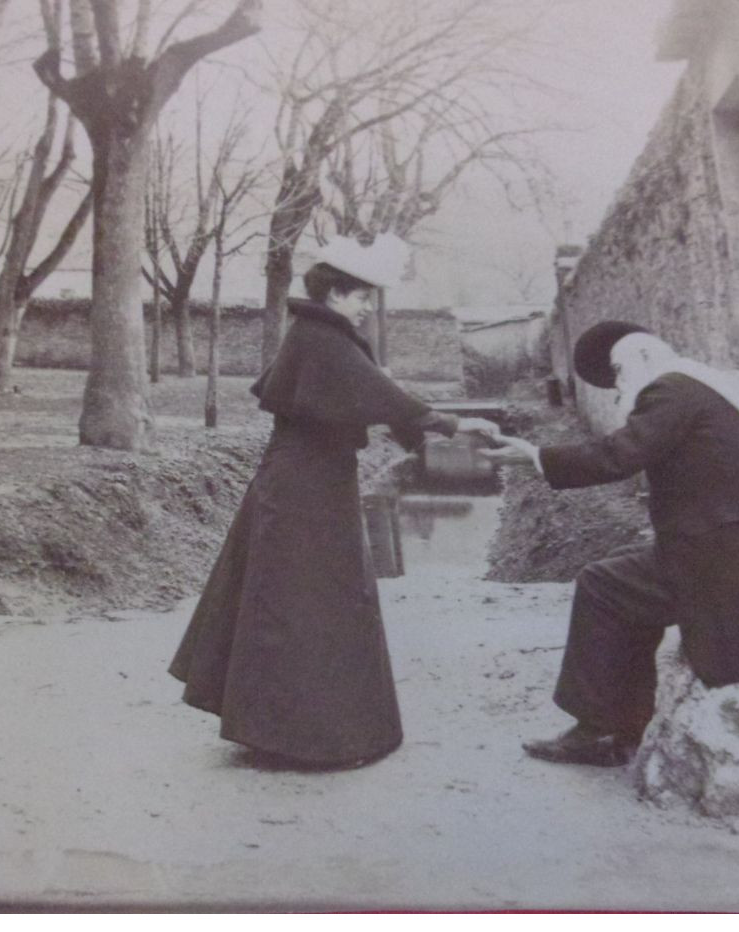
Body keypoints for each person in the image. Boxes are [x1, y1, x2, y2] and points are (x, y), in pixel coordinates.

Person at [169, 235, 499, 769]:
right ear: (335, 294)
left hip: (307, 482)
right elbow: (383, 398)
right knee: (311, 602)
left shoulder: (321, 336)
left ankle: (279, 729)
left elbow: (373, 397)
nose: (368, 305)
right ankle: (314, 739)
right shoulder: (323, 338)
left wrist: (428, 428)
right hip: (304, 488)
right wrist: (453, 422)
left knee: (295, 600)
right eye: (361, 295)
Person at [482, 320, 739, 767]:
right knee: (623, 576)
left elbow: (619, 455)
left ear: (643, 358)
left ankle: (600, 729)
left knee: (602, 585)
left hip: (732, 562)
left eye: (618, 372)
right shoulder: (709, 388)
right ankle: (616, 724)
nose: (619, 387)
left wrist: (536, 457)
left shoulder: (670, 389)